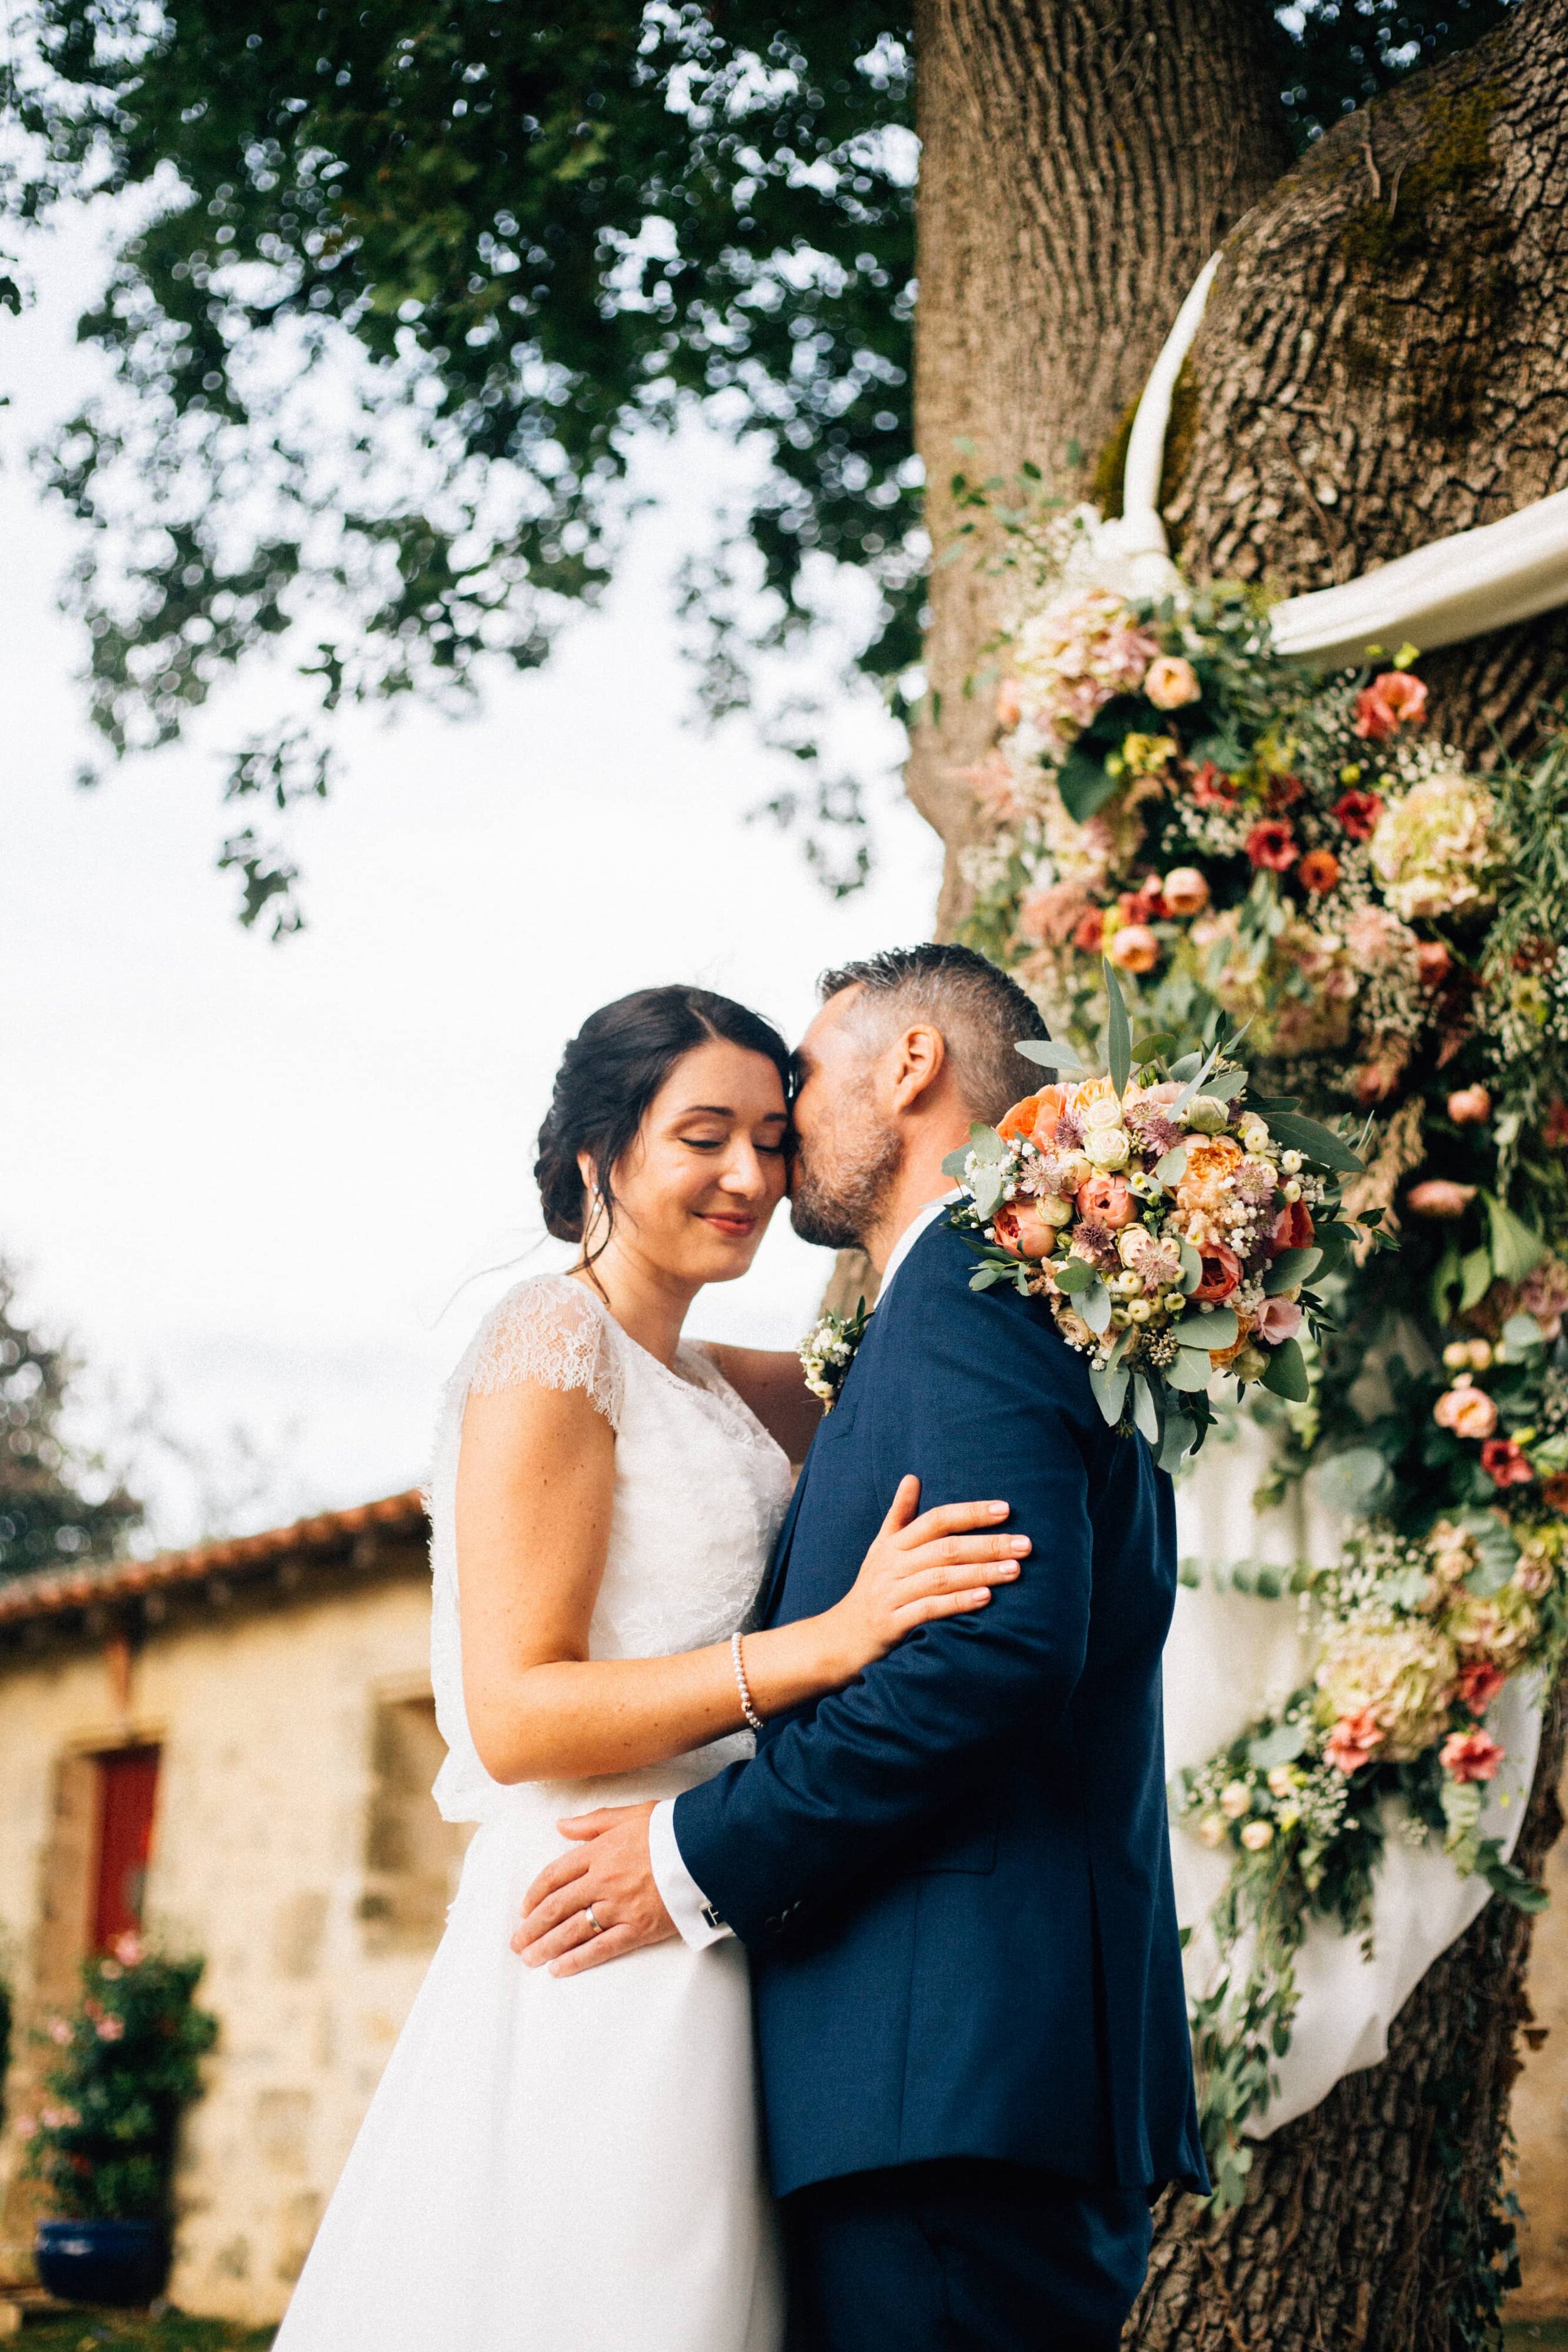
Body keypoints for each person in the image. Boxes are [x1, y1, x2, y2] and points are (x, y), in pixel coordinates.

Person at [273, 982, 1027, 2352]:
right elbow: (515, 1712)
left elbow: (936, 1337)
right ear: (595, 1155)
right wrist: (827, 1644)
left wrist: (1137, 1238)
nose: (749, 1177)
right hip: (592, 1909)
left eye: (771, 1136)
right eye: (701, 1137)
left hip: (723, 1907)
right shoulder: (545, 1343)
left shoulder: (723, 1378)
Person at [514, 944, 1207, 2351]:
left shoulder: (968, 1294)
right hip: (944, 2077)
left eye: (793, 1099)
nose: (770, 1159)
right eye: (716, 1134)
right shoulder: (981, 1303)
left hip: (946, 2079)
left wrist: (691, 1853)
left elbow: (980, 1659)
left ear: (907, 1069)